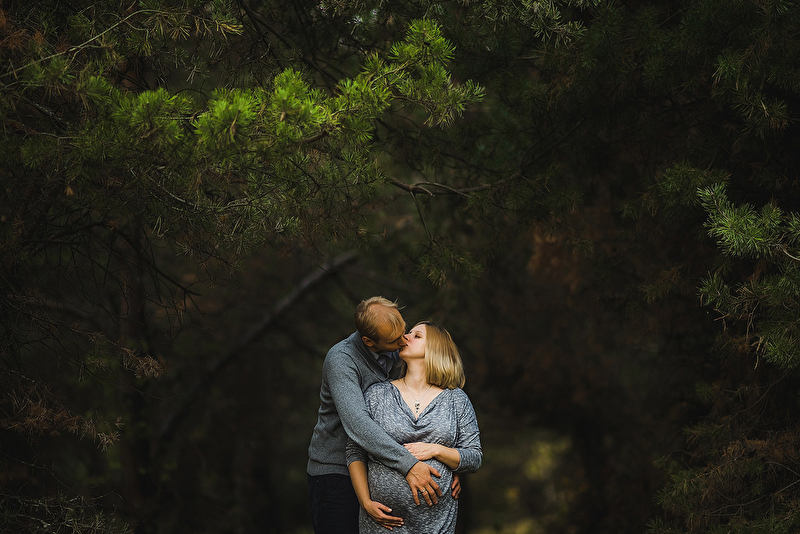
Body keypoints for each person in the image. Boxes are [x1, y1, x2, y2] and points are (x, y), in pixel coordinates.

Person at [307, 298, 454, 534]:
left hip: (376, 467)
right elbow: (358, 425)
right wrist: (409, 465)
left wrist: (450, 467)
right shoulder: (342, 360)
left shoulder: (397, 350)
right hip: (337, 473)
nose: (404, 341)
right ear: (369, 341)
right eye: (395, 340)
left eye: (404, 332)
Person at [346, 321, 482, 533]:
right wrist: (364, 502)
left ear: (435, 349)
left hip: (436, 525)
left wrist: (436, 450)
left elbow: (474, 457)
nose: (405, 337)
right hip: (382, 523)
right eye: (408, 333)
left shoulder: (456, 400)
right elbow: (355, 451)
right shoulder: (377, 394)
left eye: (416, 335)